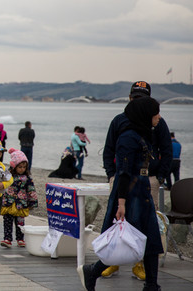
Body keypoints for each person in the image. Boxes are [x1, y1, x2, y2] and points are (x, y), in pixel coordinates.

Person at [78, 97, 163, 291]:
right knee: (122, 240)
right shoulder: (128, 137)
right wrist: (121, 203)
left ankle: (151, 285)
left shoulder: (144, 134)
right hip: (129, 193)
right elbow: (123, 172)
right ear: (144, 115)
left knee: (151, 238)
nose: (158, 117)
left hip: (142, 190)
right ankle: (93, 270)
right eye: (155, 113)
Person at [101, 81, 172, 281]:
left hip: (148, 178)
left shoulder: (157, 122)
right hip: (122, 177)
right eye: (135, 97)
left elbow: (166, 150)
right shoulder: (119, 122)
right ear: (130, 98)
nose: (136, 101)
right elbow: (109, 149)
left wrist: (159, 176)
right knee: (116, 220)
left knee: (146, 223)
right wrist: (111, 174)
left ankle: (140, 264)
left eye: (142, 98)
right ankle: (112, 260)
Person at [0, 148, 38, 248]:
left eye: (24, 167)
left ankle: (20, 238)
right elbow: (2, 186)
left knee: (20, 223)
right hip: (8, 202)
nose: (22, 169)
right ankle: (7, 239)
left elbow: (31, 190)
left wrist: (32, 201)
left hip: (21, 204)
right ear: (14, 166)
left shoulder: (27, 178)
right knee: (7, 221)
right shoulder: (8, 175)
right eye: (20, 167)